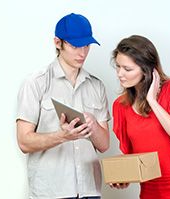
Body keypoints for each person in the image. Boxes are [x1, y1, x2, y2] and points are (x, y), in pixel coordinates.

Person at [16, 13, 110, 199]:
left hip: (90, 191)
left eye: (86, 45)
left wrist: (94, 126)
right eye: (75, 46)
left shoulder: (96, 86)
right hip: (51, 192)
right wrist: (62, 136)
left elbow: (104, 145)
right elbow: (24, 141)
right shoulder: (36, 83)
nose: (82, 53)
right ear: (58, 43)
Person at [109, 35, 170, 199]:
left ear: (147, 69)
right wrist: (123, 174)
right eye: (118, 67)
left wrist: (152, 101)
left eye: (127, 69)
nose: (120, 74)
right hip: (151, 194)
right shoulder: (120, 106)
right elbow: (134, 156)